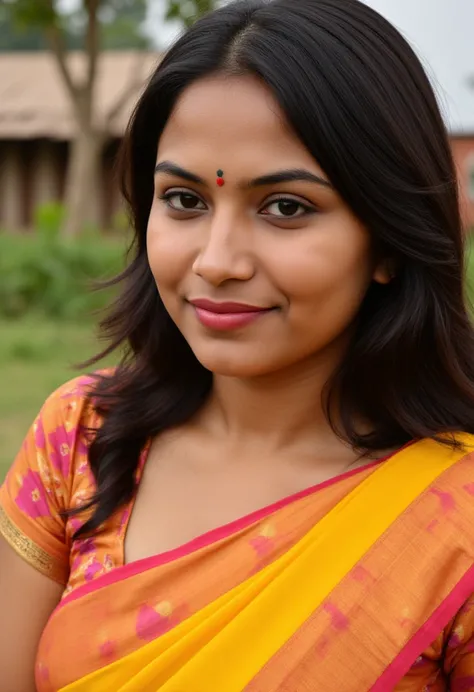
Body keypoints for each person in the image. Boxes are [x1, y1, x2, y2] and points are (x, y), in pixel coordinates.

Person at [2, 0, 474, 690]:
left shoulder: (452, 513)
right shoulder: (83, 441)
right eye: (185, 200)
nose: (218, 261)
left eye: (286, 207)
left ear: (388, 240)